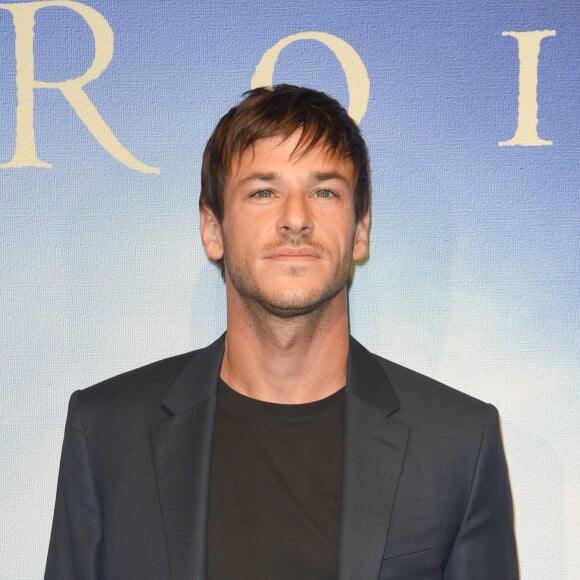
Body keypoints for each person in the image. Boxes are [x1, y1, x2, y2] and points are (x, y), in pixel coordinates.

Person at [45, 85, 519, 580]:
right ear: (213, 229)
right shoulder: (105, 430)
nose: (296, 218)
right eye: (264, 192)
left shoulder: (458, 442)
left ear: (360, 231)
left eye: (324, 191)